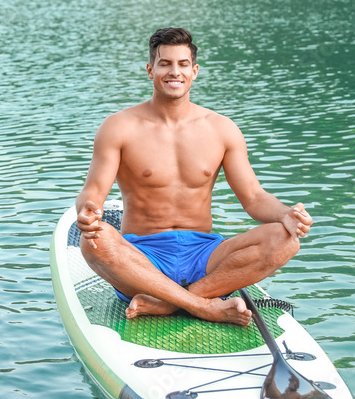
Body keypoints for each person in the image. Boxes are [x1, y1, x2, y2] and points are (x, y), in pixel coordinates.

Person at [75, 27, 313, 326]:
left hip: (205, 255)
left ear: (194, 71)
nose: (174, 72)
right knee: (93, 241)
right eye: (165, 63)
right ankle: (202, 306)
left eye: (182, 64)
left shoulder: (222, 129)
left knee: (285, 240)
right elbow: (93, 190)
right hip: (142, 257)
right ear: (150, 70)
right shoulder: (119, 127)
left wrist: (286, 214)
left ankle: (169, 302)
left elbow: (253, 197)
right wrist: (87, 209)